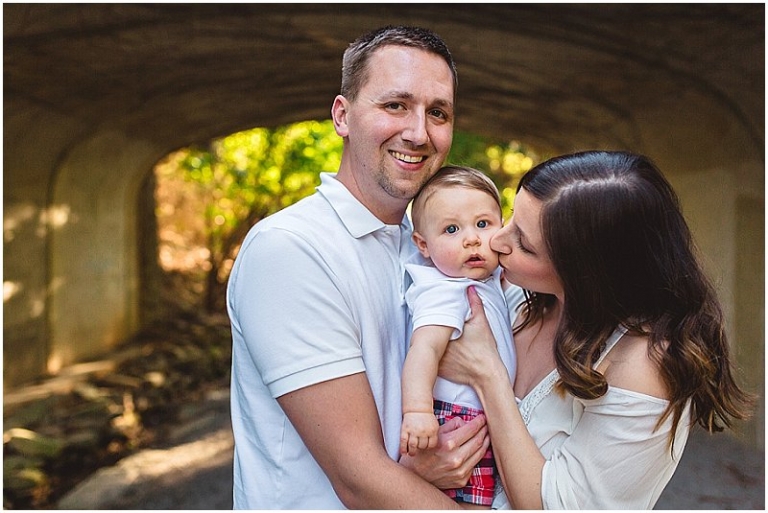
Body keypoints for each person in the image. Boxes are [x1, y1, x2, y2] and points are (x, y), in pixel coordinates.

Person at [226, 26, 488, 509]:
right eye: (395, 105)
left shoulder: (428, 246)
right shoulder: (290, 249)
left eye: (437, 113)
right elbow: (359, 478)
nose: (418, 133)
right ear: (342, 116)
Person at [422, 150, 754, 509]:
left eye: (525, 245)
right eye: (511, 218)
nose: (497, 241)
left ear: (585, 272)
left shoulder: (642, 365)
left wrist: (489, 379)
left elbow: (561, 506)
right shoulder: (515, 295)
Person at [400, 165, 516, 508]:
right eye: (452, 229)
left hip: (481, 413)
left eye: (483, 224)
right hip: (456, 420)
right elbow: (423, 349)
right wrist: (417, 410)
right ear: (423, 245)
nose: (472, 239)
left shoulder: (483, 279)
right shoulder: (445, 291)